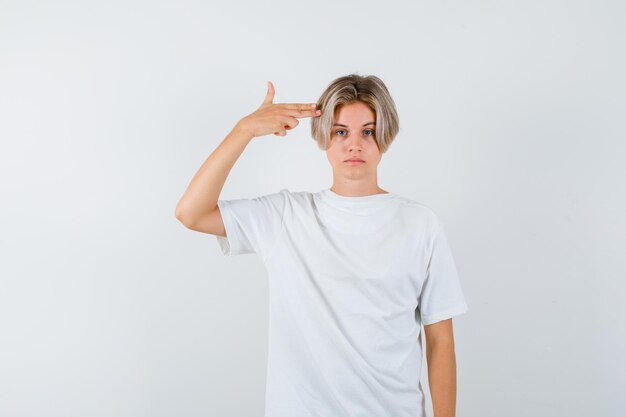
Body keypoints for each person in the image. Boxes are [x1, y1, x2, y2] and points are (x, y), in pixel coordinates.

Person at [175, 74, 469, 417]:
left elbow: (440, 341)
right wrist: (244, 131)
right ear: (324, 136)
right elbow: (190, 213)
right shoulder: (285, 216)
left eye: (368, 131)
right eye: (341, 131)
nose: (354, 144)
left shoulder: (420, 225)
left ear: (384, 137)